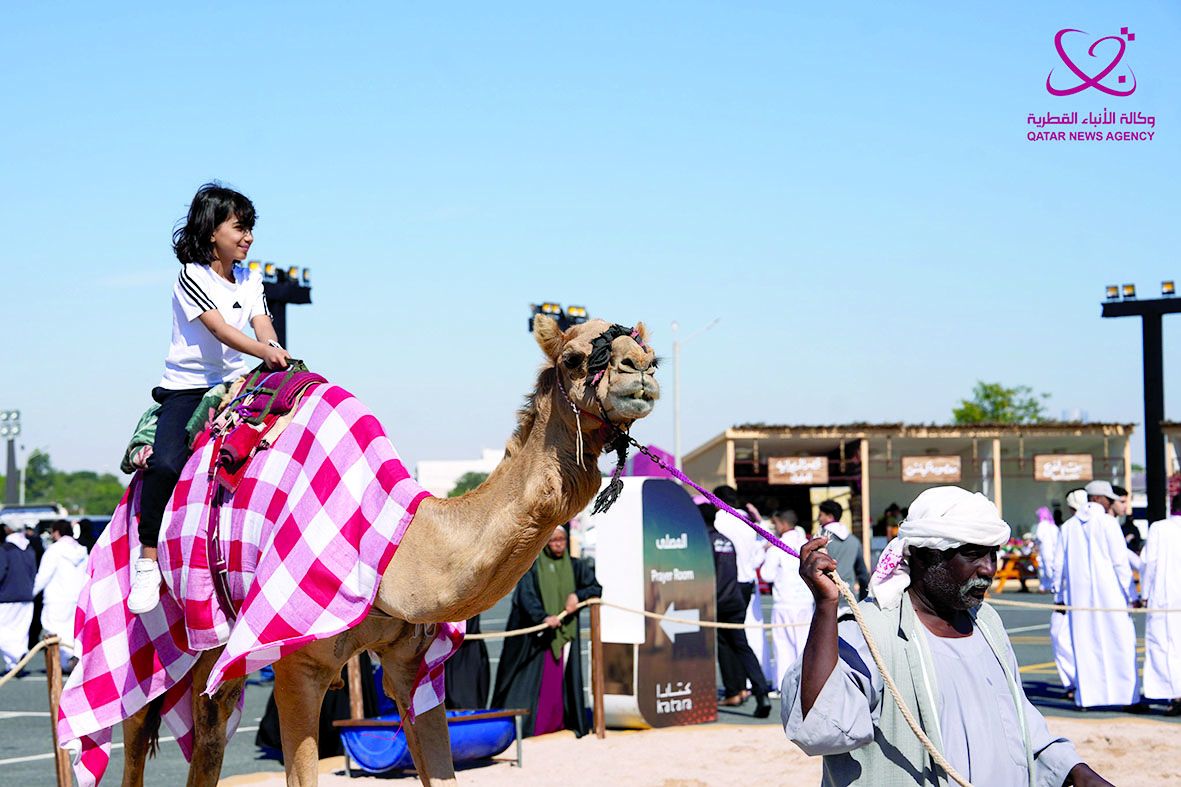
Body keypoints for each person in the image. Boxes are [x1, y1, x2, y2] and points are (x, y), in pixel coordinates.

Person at [782, 486, 1113, 786]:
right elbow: (820, 730)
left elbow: (1019, 721)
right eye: (972, 554)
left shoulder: (987, 623)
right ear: (926, 556)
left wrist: (1072, 770)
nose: (989, 568)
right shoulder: (869, 632)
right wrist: (826, 606)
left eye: (992, 554)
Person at [129, 183, 290, 615]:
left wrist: (275, 348)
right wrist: (265, 352)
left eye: (250, 228)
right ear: (212, 230)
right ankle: (147, 558)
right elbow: (221, 330)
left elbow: (261, 323)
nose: (248, 237)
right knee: (167, 463)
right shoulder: (191, 276)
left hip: (240, 382)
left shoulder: (250, 278)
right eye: (239, 228)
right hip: (191, 388)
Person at [491, 525, 601, 737]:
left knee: (560, 681)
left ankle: (561, 722)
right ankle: (536, 727)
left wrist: (577, 595)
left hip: (566, 634)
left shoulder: (576, 566)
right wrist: (543, 617)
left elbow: (595, 588)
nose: (558, 544)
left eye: (561, 540)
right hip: (541, 636)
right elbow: (526, 597)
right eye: (553, 540)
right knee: (539, 683)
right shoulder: (533, 567)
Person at [1053, 480, 1140, 708]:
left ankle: (1086, 698)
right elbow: (1120, 563)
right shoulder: (1109, 523)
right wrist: (1132, 595)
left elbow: (1058, 565)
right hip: (1112, 597)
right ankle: (1128, 698)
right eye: (1109, 499)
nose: (1111, 503)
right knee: (1121, 643)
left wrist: (1059, 596)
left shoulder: (1068, 527)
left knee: (1085, 645)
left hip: (1078, 599)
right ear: (1098, 499)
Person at [698, 499, 772, 717]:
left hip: (718, 601)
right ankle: (757, 691)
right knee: (740, 646)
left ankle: (733, 691)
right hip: (735, 599)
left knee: (723, 645)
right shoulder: (725, 540)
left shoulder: (704, 541)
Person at [759, 510, 812, 690]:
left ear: (782, 524)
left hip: (784, 602)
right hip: (805, 601)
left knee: (783, 647)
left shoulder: (777, 546)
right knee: (805, 645)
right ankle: (807, 683)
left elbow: (766, 575)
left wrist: (766, 550)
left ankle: (784, 685)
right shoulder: (807, 544)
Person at [1142, 492, 1181, 712]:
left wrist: (1145, 593)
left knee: (1164, 646)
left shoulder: (1160, 528)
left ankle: (1174, 694)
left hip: (1165, 598)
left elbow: (1149, 562)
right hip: (1170, 598)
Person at [32, 520, 89, 664]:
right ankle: (73, 661)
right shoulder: (82, 551)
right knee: (73, 632)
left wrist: (30, 593)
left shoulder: (54, 550)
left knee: (54, 632)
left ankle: (63, 664)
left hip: (56, 598)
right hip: (77, 598)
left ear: (57, 532)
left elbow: (43, 576)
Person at [0, 522, 37, 671]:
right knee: (20, 633)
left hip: (6, 597)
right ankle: (14, 665)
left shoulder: (5, 549)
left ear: (8, 529)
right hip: (27, 596)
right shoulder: (29, 549)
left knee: (3, 632)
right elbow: (33, 573)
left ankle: (17, 657)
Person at [815, 500, 869, 601]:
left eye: (820, 515)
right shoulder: (854, 541)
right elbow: (863, 575)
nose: (818, 519)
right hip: (849, 597)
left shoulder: (818, 540)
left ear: (830, 516)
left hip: (825, 599)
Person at [1033, 506, 1058, 593]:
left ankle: (1047, 586)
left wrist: (1035, 542)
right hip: (1054, 551)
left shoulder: (1042, 525)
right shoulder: (1053, 525)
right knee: (1051, 568)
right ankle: (1050, 585)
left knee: (1044, 569)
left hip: (1045, 550)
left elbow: (1039, 537)